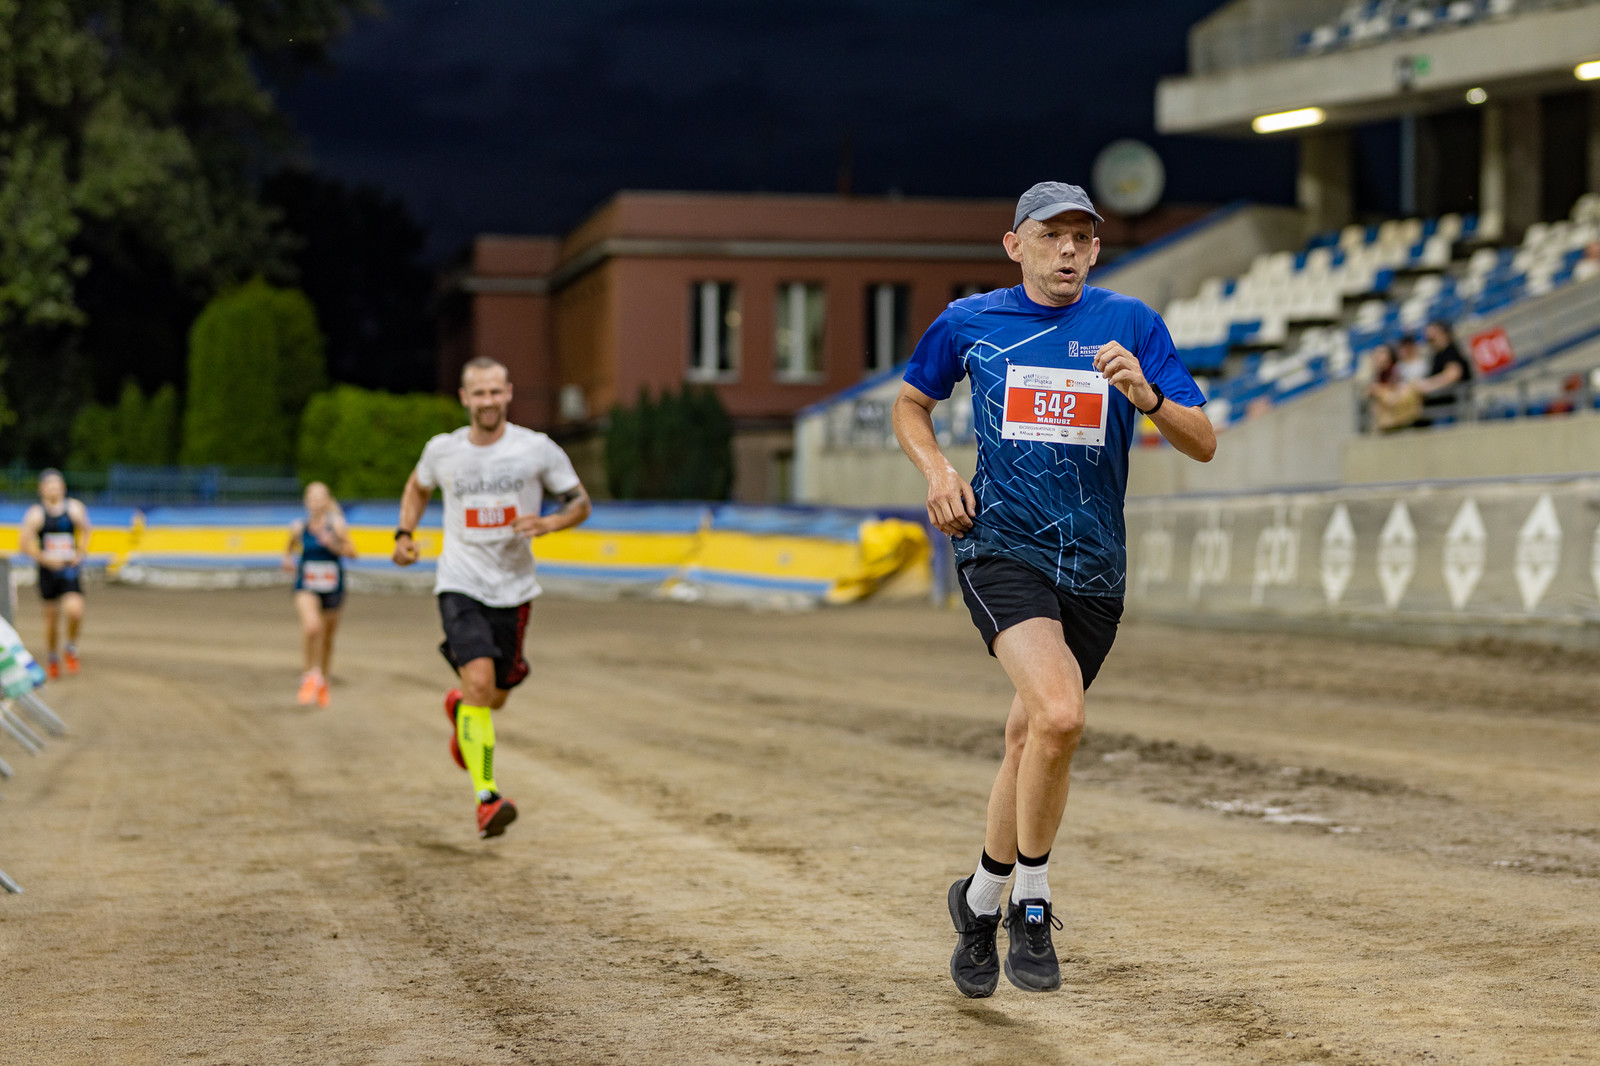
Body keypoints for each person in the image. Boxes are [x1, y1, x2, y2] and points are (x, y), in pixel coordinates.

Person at [892, 181, 1216, 998]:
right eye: (1051, 235)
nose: (1068, 249)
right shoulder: (969, 322)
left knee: (1032, 737)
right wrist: (937, 472)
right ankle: (1029, 901)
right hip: (1000, 547)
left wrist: (1147, 397)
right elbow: (911, 404)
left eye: (1081, 237)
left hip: (1096, 568)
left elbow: (1204, 441)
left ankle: (978, 899)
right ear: (1015, 245)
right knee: (1062, 715)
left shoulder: (1131, 324)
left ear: (1097, 250)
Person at [393, 356, 592, 839]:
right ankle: (487, 798)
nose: (488, 401)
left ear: (509, 393)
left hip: (515, 589)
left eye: (495, 392)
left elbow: (580, 503)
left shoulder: (536, 449)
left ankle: (462, 709)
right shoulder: (443, 450)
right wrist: (404, 533)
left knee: (494, 697)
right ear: (464, 398)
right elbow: (417, 487)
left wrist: (548, 523)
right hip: (460, 582)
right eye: (479, 393)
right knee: (481, 684)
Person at [282, 481, 357, 707]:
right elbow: (289, 546)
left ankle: (323, 678)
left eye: (320, 497)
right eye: (311, 497)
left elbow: (353, 553)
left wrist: (333, 544)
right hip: (307, 584)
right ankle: (309, 675)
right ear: (306, 501)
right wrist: (287, 559)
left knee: (327, 637)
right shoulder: (299, 527)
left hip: (333, 586)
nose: (315, 502)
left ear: (327, 500)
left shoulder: (337, 525)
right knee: (312, 627)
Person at [19, 469, 92, 679]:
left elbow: (87, 530)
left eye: (57, 485)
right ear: (41, 489)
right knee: (51, 618)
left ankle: (70, 647)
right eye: (49, 485)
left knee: (75, 610)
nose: (54, 489)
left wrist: (80, 553)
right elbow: (24, 544)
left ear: (63, 488)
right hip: (48, 572)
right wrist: (45, 559)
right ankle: (52, 657)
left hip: (69, 570)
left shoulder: (75, 508)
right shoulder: (36, 514)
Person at [1416, 319, 1473, 424]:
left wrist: (1427, 386)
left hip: (1450, 407)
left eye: (1432, 338)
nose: (1430, 341)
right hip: (1440, 406)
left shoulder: (1451, 351)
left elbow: (1453, 374)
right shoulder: (1437, 355)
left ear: (1444, 334)